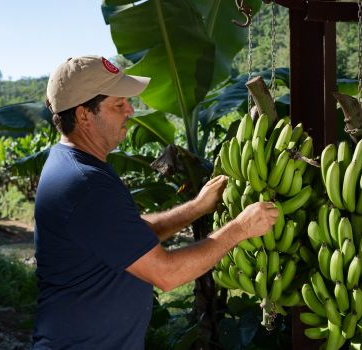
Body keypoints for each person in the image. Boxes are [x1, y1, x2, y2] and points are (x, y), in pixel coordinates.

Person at [32, 55, 279, 349]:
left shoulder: (74, 165)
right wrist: (240, 228)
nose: (131, 111)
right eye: (118, 105)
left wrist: (197, 207)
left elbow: (129, 235)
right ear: (84, 115)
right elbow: (167, 274)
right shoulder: (84, 184)